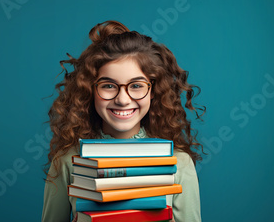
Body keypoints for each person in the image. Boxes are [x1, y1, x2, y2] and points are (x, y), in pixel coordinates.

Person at [41, 20, 205, 222]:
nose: (122, 99)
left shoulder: (179, 163)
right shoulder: (68, 160)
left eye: (136, 85)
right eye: (108, 86)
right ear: (90, 90)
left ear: (153, 90)